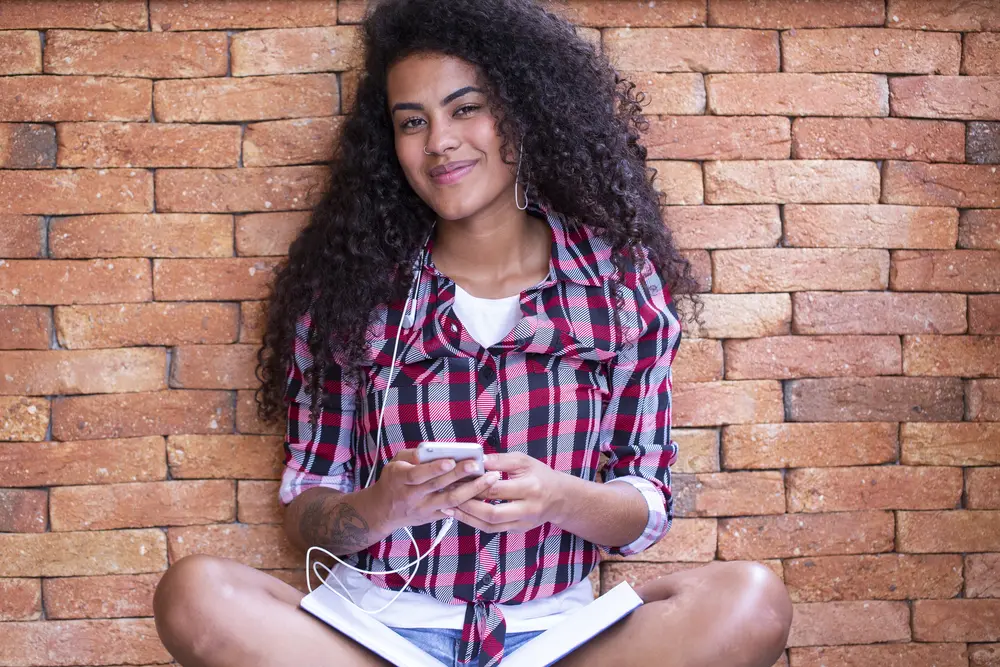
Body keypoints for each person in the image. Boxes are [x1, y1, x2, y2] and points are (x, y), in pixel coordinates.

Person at [152, 1, 793, 665]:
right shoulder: (351, 290)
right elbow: (306, 507)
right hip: (375, 639)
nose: (439, 142)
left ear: (522, 113)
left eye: (465, 109)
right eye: (412, 121)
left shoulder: (620, 285)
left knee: (752, 600)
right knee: (196, 592)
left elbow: (646, 503)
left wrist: (558, 496)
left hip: (549, 643)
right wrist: (380, 507)